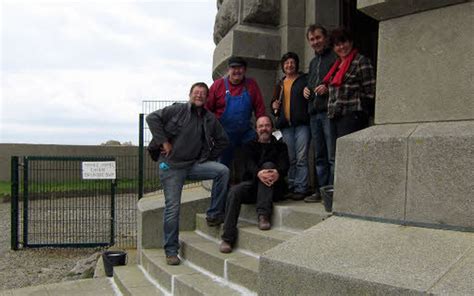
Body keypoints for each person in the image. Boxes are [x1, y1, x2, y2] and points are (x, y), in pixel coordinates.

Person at [146, 82, 230, 265]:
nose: (199, 95)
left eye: (203, 93)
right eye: (196, 92)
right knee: (173, 209)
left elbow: (223, 141)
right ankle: (170, 251)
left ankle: (214, 213)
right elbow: (152, 118)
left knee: (222, 171)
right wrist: (163, 142)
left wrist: (206, 157)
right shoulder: (177, 110)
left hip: (193, 165)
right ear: (190, 94)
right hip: (171, 167)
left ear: (207, 98)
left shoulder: (209, 119)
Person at [219, 116, 289, 253]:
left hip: (274, 188)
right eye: (261, 126)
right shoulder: (249, 146)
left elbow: (285, 166)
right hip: (253, 185)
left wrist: (278, 173)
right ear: (256, 129)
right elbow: (248, 166)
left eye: (267, 125)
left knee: (268, 166)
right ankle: (227, 238)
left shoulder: (281, 146)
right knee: (234, 191)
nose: (264, 129)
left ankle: (263, 216)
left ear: (272, 128)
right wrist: (258, 173)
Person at [206, 56, 266, 168]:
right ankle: (222, 185)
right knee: (222, 168)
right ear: (228, 69)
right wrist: (210, 133)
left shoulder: (251, 84)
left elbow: (260, 109)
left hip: (245, 133)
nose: (237, 71)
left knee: (252, 162)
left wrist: (262, 130)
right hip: (223, 135)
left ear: (245, 70)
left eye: (240, 68)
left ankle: (250, 181)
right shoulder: (218, 85)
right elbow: (207, 111)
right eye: (234, 68)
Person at [303, 24, 337, 203]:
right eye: (312, 39)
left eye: (318, 38)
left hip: (328, 112)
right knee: (319, 156)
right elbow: (311, 84)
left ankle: (332, 192)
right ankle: (322, 191)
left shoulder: (335, 57)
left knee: (332, 155)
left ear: (325, 38)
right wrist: (306, 91)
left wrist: (328, 88)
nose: (315, 42)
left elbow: (340, 82)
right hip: (314, 113)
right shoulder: (313, 62)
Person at [270, 52, 310, 200]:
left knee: (301, 158)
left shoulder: (304, 80)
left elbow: (310, 96)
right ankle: (292, 185)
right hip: (285, 126)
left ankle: (301, 187)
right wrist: (273, 105)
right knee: (291, 158)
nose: (289, 65)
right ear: (283, 66)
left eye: (292, 62)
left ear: (296, 64)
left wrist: (309, 91)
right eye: (286, 63)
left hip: (302, 124)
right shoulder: (280, 83)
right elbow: (273, 104)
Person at [323, 27, 375, 140]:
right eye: (337, 45)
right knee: (335, 154)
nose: (341, 47)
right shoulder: (335, 66)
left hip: (353, 115)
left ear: (350, 42)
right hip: (335, 115)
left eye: (344, 42)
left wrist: (365, 113)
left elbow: (370, 90)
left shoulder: (361, 61)